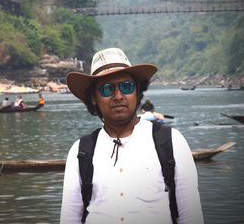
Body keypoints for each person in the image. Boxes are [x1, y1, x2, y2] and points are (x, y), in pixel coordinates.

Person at [60, 48, 204, 224]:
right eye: (107, 89)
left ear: (137, 91)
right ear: (93, 98)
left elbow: (191, 216)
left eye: (126, 86)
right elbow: (69, 218)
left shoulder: (171, 142)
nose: (118, 96)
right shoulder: (81, 151)